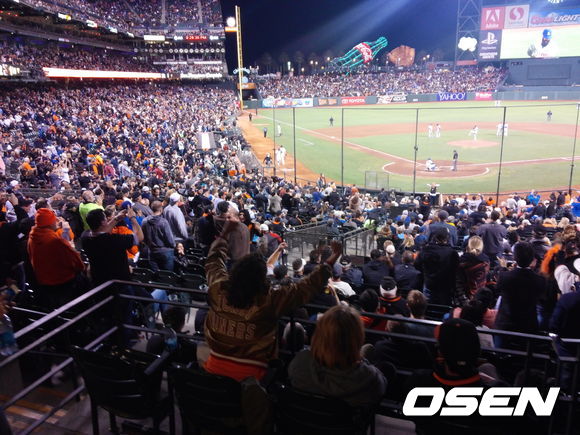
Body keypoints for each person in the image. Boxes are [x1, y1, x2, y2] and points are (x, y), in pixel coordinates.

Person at [204, 218, 342, 382]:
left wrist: (224, 234)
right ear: (262, 279)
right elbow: (306, 287)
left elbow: (213, 260)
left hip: (212, 370)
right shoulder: (269, 300)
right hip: (253, 378)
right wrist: (333, 258)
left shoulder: (218, 288)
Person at [288, 305, 387, 408]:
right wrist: (363, 361)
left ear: (319, 334)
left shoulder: (300, 363)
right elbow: (380, 389)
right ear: (357, 339)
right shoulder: (370, 379)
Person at [28, 208, 85, 307]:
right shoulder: (56, 241)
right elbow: (77, 263)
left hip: (44, 283)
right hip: (63, 283)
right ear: (50, 223)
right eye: (55, 220)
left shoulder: (32, 238)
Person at [494, 242, 547, 348]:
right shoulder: (540, 280)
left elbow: (497, 290)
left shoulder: (505, 277)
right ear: (532, 259)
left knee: (499, 355)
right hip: (528, 327)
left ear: (515, 257)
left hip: (505, 325)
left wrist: (503, 269)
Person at [415, 227, 459, 305]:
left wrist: (426, 273)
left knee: (427, 308)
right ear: (447, 238)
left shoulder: (426, 250)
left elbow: (417, 265)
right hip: (445, 287)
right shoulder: (452, 253)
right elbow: (455, 270)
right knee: (443, 309)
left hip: (429, 284)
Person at [141, 201, 176, 272]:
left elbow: (143, 237)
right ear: (161, 209)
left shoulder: (144, 221)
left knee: (155, 275)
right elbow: (170, 240)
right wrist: (174, 245)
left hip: (152, 251)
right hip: (165, 252)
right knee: (167, 275)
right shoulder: (164, 222)